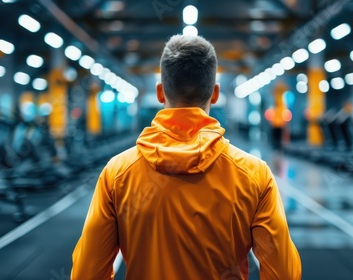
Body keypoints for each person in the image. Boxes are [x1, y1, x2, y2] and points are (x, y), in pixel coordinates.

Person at [71, 35, 301, 280]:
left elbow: (87, 273)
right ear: (214, 94)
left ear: (160, 93)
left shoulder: (117, 173)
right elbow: (284, 274)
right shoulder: (254, 174)